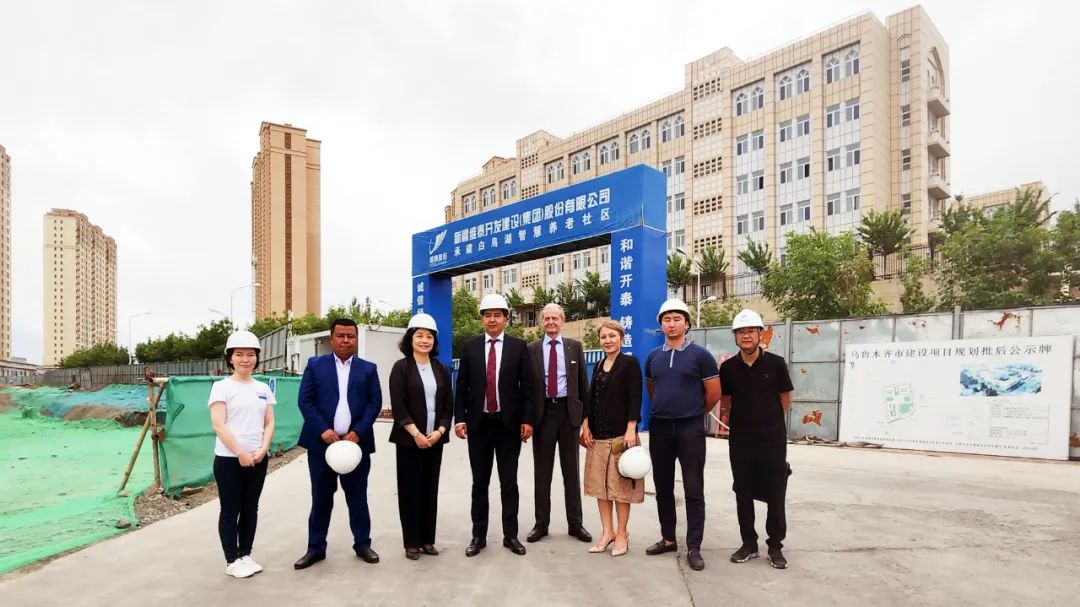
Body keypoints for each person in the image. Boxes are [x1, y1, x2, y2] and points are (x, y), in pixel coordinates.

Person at [294, 318, 383, 570]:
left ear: (356, 339)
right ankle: (315, 548)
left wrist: (358, 431)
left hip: (356, 445)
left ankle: (363, 544)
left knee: (357, 497)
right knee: (321, 498)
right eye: (341, 336)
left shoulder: (368, 369)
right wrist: (323, 429)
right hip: (322, 445)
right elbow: (305, 401)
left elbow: (374, 403)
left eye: (350, 336)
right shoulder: (315, 365)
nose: (346, 341)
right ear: (332, 338)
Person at [454, 293, 539, 557]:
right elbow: (462, 385)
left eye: (497, 315)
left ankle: (510, 536)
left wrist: (527, 420)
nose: (492, 320)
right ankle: (478, 536)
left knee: (509, 483)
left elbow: (529, 387)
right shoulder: (470, 347)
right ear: (482, 319)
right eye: (487, 315)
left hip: (508, 426)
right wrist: (460, 418)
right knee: (479, 483)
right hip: (478, 425)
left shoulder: (518, 346)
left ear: (506, 319)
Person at [643, 298, 721, 571]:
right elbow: (653, 391)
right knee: (663, 487)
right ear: (661, 325)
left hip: (690, 428)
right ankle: (668, 539)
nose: (672, 323)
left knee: (693, 488)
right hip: (661, 428)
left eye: (677, 318)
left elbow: (714, 394)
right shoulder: (653, 357)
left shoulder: (701, 356)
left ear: (687, 324)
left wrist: (693, 412)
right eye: (666, 319)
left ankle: (694, 547)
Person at [718, 309, 794, 570]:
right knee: (743, 492)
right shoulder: (728, 368)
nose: (746, 336)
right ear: (735, 337)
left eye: (751, 331)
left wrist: (768, 422)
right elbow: (726, 402)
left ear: (760, 334)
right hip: (740, 441)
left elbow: (785, 399)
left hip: (772, 440)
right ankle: (749, 543)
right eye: (741, 332)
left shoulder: (776, 364)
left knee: (775, 492)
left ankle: (775, 546)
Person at [208, 330, 276, 578]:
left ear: (257, 357)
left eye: (250, 354)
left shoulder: (263, 388)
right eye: (239, 354)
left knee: (250, 508)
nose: (245, 359)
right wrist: (240, 452)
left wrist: (263, 448)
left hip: (258, 458)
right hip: (229, 459)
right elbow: (219, 425)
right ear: (230, 358)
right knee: (230, 509)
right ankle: (232, 560)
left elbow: (269, 422)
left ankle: (245, 554)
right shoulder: (221, 387)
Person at [388, 313, 454, 561]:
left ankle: (427, 540)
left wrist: (440, 431)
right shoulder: (401, 368)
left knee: (429, 489)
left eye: (429, 337)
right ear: (410, 338)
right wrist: (416, 433)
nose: (424, 341)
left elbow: (448, 404)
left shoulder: (440, 368)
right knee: (409, 490)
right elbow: (399, 405)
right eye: (419, 336)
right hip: (409, 440)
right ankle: (412, 542)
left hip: (435, 440)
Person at [526, 303, 592, 545]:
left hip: (568, 413)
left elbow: (583, 385)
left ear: (562, 321)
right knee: (542, 473)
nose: (551, 322)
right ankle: (541, 524)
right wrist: (527, 419)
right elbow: (526, 388)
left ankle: (575, 523)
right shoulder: (531, 349)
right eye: (547, 318)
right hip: (543, 414)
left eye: (555, 318)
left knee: (571, 472)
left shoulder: (575, 347)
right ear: (541, 322)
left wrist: (586, 421)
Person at [580, 320, 643, 556]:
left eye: (612, 336)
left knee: (620, 489)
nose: (608, 340)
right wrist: (586, 424)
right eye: (604, 337)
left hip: (621, 436)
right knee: (600, 488)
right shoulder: (598, 365)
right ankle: (607, 532)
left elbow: (635, 396)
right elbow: (590, 397)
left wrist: (631, 428)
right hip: (598, 437)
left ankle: (622, 533)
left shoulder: (629, 363)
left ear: (621, 338)